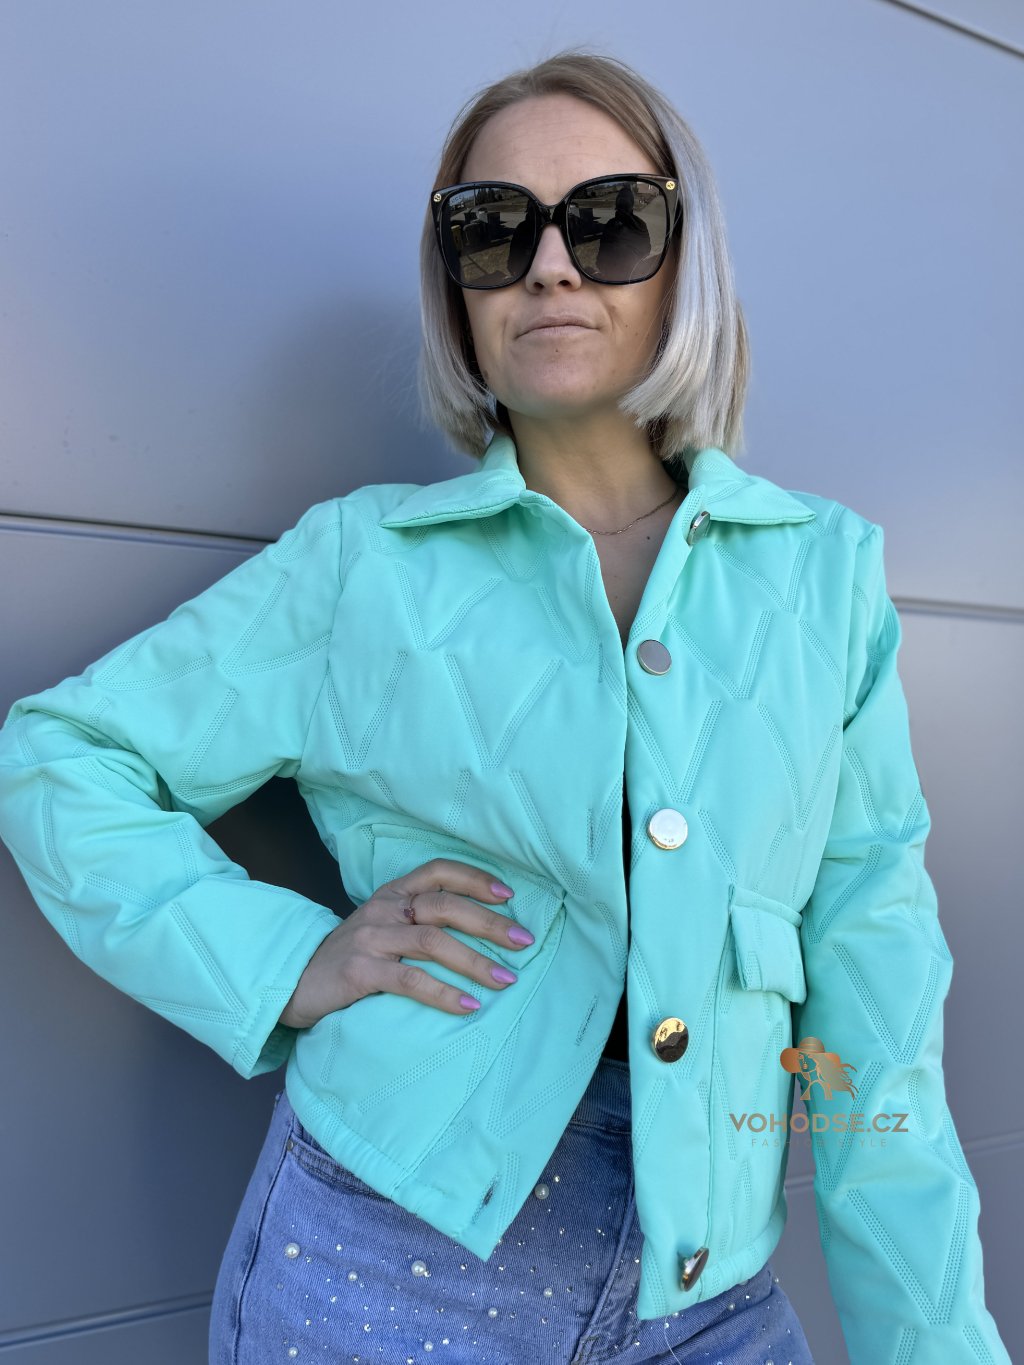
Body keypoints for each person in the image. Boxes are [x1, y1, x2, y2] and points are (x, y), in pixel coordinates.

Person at [0, 49, 1011, 1365]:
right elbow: (60, 754)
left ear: (683, 262)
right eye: (493, 229)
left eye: (608, 221)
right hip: (382, 1260)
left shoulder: (823, 576)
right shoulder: (363, 566)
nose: (549, 267)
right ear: (457, 286)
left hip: (705, 1293)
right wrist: (285, 962)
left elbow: (881, 1008)